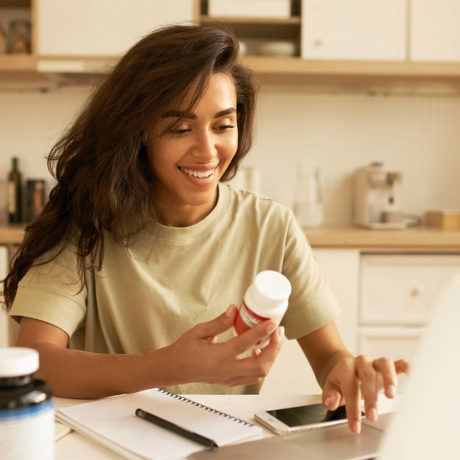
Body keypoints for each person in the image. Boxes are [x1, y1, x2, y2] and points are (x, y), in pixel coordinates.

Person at [2, 23, 408, 434]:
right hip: (115, 443)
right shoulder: (86, 223)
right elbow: (38, 361)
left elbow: (329, 357)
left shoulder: (270, 225)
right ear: (137, 132)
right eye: (180, 128)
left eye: (222, 125)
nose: (207, 150)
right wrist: (168, 366)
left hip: (228, 443)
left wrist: (350, 371)